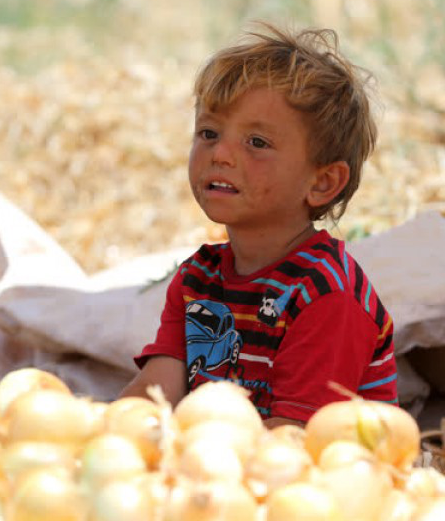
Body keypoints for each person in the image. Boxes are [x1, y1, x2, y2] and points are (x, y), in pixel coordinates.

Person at [119, 22, 397, 427]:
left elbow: (297, 440)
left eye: (257, 143)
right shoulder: (199, 277)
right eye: (209, 133)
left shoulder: (326, 295)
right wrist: (105, 433)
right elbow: (157, 392)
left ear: (322, 183)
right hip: (225, 460)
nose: (221, 154)